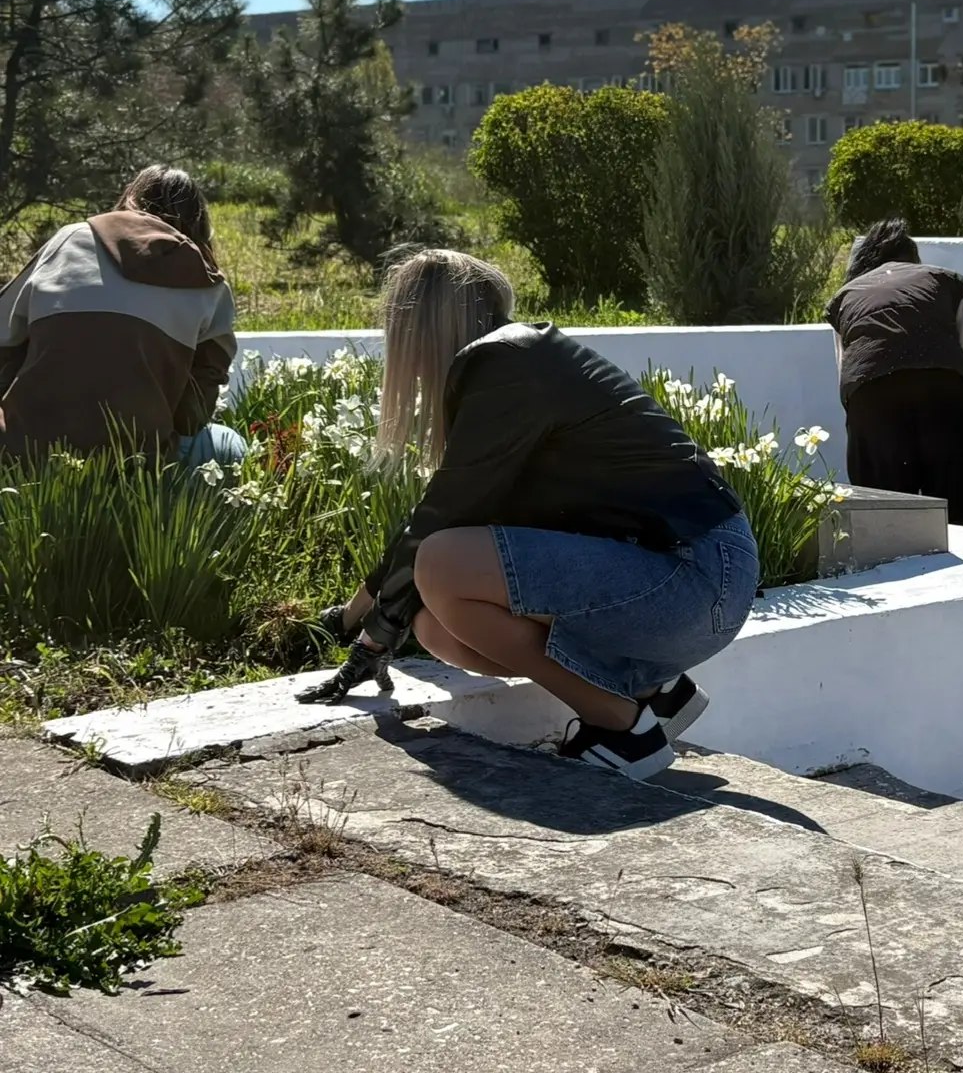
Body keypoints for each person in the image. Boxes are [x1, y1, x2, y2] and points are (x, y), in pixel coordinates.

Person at [298, 249, 759, 783]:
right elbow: (438, 514)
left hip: (698, 578)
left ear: (418, 328)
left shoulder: (508, 363)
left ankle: (622, 728)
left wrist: (373, 637)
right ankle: (651, 688)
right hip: (680, 586)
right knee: (436, 625)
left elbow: (438, 525)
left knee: (444, 565)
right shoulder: (515, 363)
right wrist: (354, 617)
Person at [0, 165, 243, 468]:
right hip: (134, 465)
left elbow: (4, 340)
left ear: (129, 199)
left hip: (25, 454)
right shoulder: (208, 284)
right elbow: (193, 416)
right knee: (230, 444)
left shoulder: (68, 239)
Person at [823, 217, 963, 528]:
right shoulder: (945, 282)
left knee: (882, 523)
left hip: (872, 403)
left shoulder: (846, 298)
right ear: (912, 257)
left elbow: (850, 377)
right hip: (945, 397)